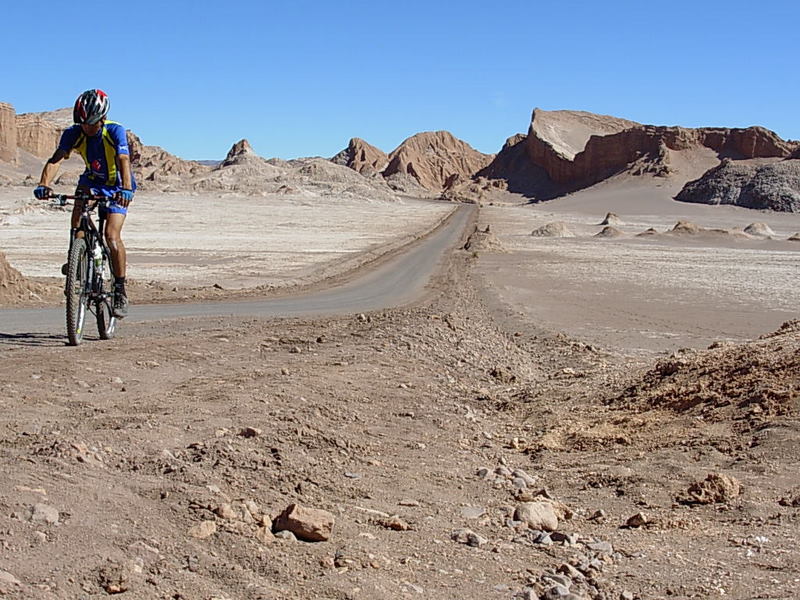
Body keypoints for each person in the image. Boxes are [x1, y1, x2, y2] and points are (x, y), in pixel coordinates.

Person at [34, 89, 136, 318]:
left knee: (111, 236)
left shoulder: (114, 130)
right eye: (82, 123)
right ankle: (75, 260)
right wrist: (44, 184)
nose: (86, 128)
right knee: (78, 216)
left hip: (119, 183)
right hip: (91, 180)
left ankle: (119, 289)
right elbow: (56, 158)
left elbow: (123, 159)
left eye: (89, 124)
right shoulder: (74, 133)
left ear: (101, 119)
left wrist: (126, 189)